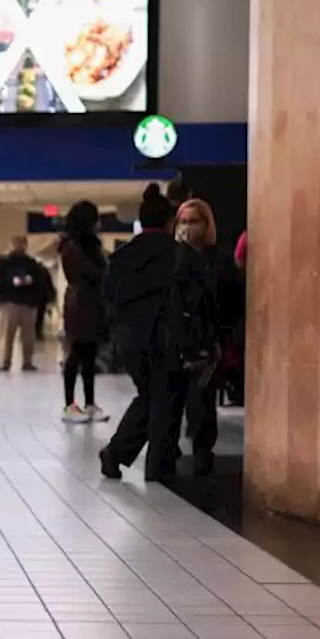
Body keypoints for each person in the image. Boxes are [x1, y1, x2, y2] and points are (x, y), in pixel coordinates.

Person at [99, 185, 212, 483]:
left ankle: (116, 454)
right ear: (169, 223)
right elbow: (198, 300)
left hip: (129, 340)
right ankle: (156, 469)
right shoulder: (180, 255)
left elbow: (108, 298)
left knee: (150, 396)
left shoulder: (121, 257)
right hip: (166, 339)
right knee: (165, 399)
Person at [169, 199, 232, 475]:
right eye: (183, 221)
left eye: (194, 221)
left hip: (208, 343)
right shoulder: (172, 258)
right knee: (172, 398)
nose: (187, 227)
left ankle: (203, 450)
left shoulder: (220, 261)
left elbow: (230, 299)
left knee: (203, 400)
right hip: (176, 341)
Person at [58, 201, 110, 424]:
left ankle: (90, 403)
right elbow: (91, 273)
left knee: (90, 354)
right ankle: (69, 404)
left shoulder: (92, 246)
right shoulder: (70, 248)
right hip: (80, 304)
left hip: (94, 303)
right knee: (76, 352)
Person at [0, 235, 44, 371]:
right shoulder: (4, 261)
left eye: (22, 244)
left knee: (29, 335)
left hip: (27, 303)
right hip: (10, 302)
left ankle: (27, 361)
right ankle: (5, 361)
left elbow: (39, 280)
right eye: (17, 243)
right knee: (7, 334)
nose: (19, 246)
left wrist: (30, 280)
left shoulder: (31, 262)